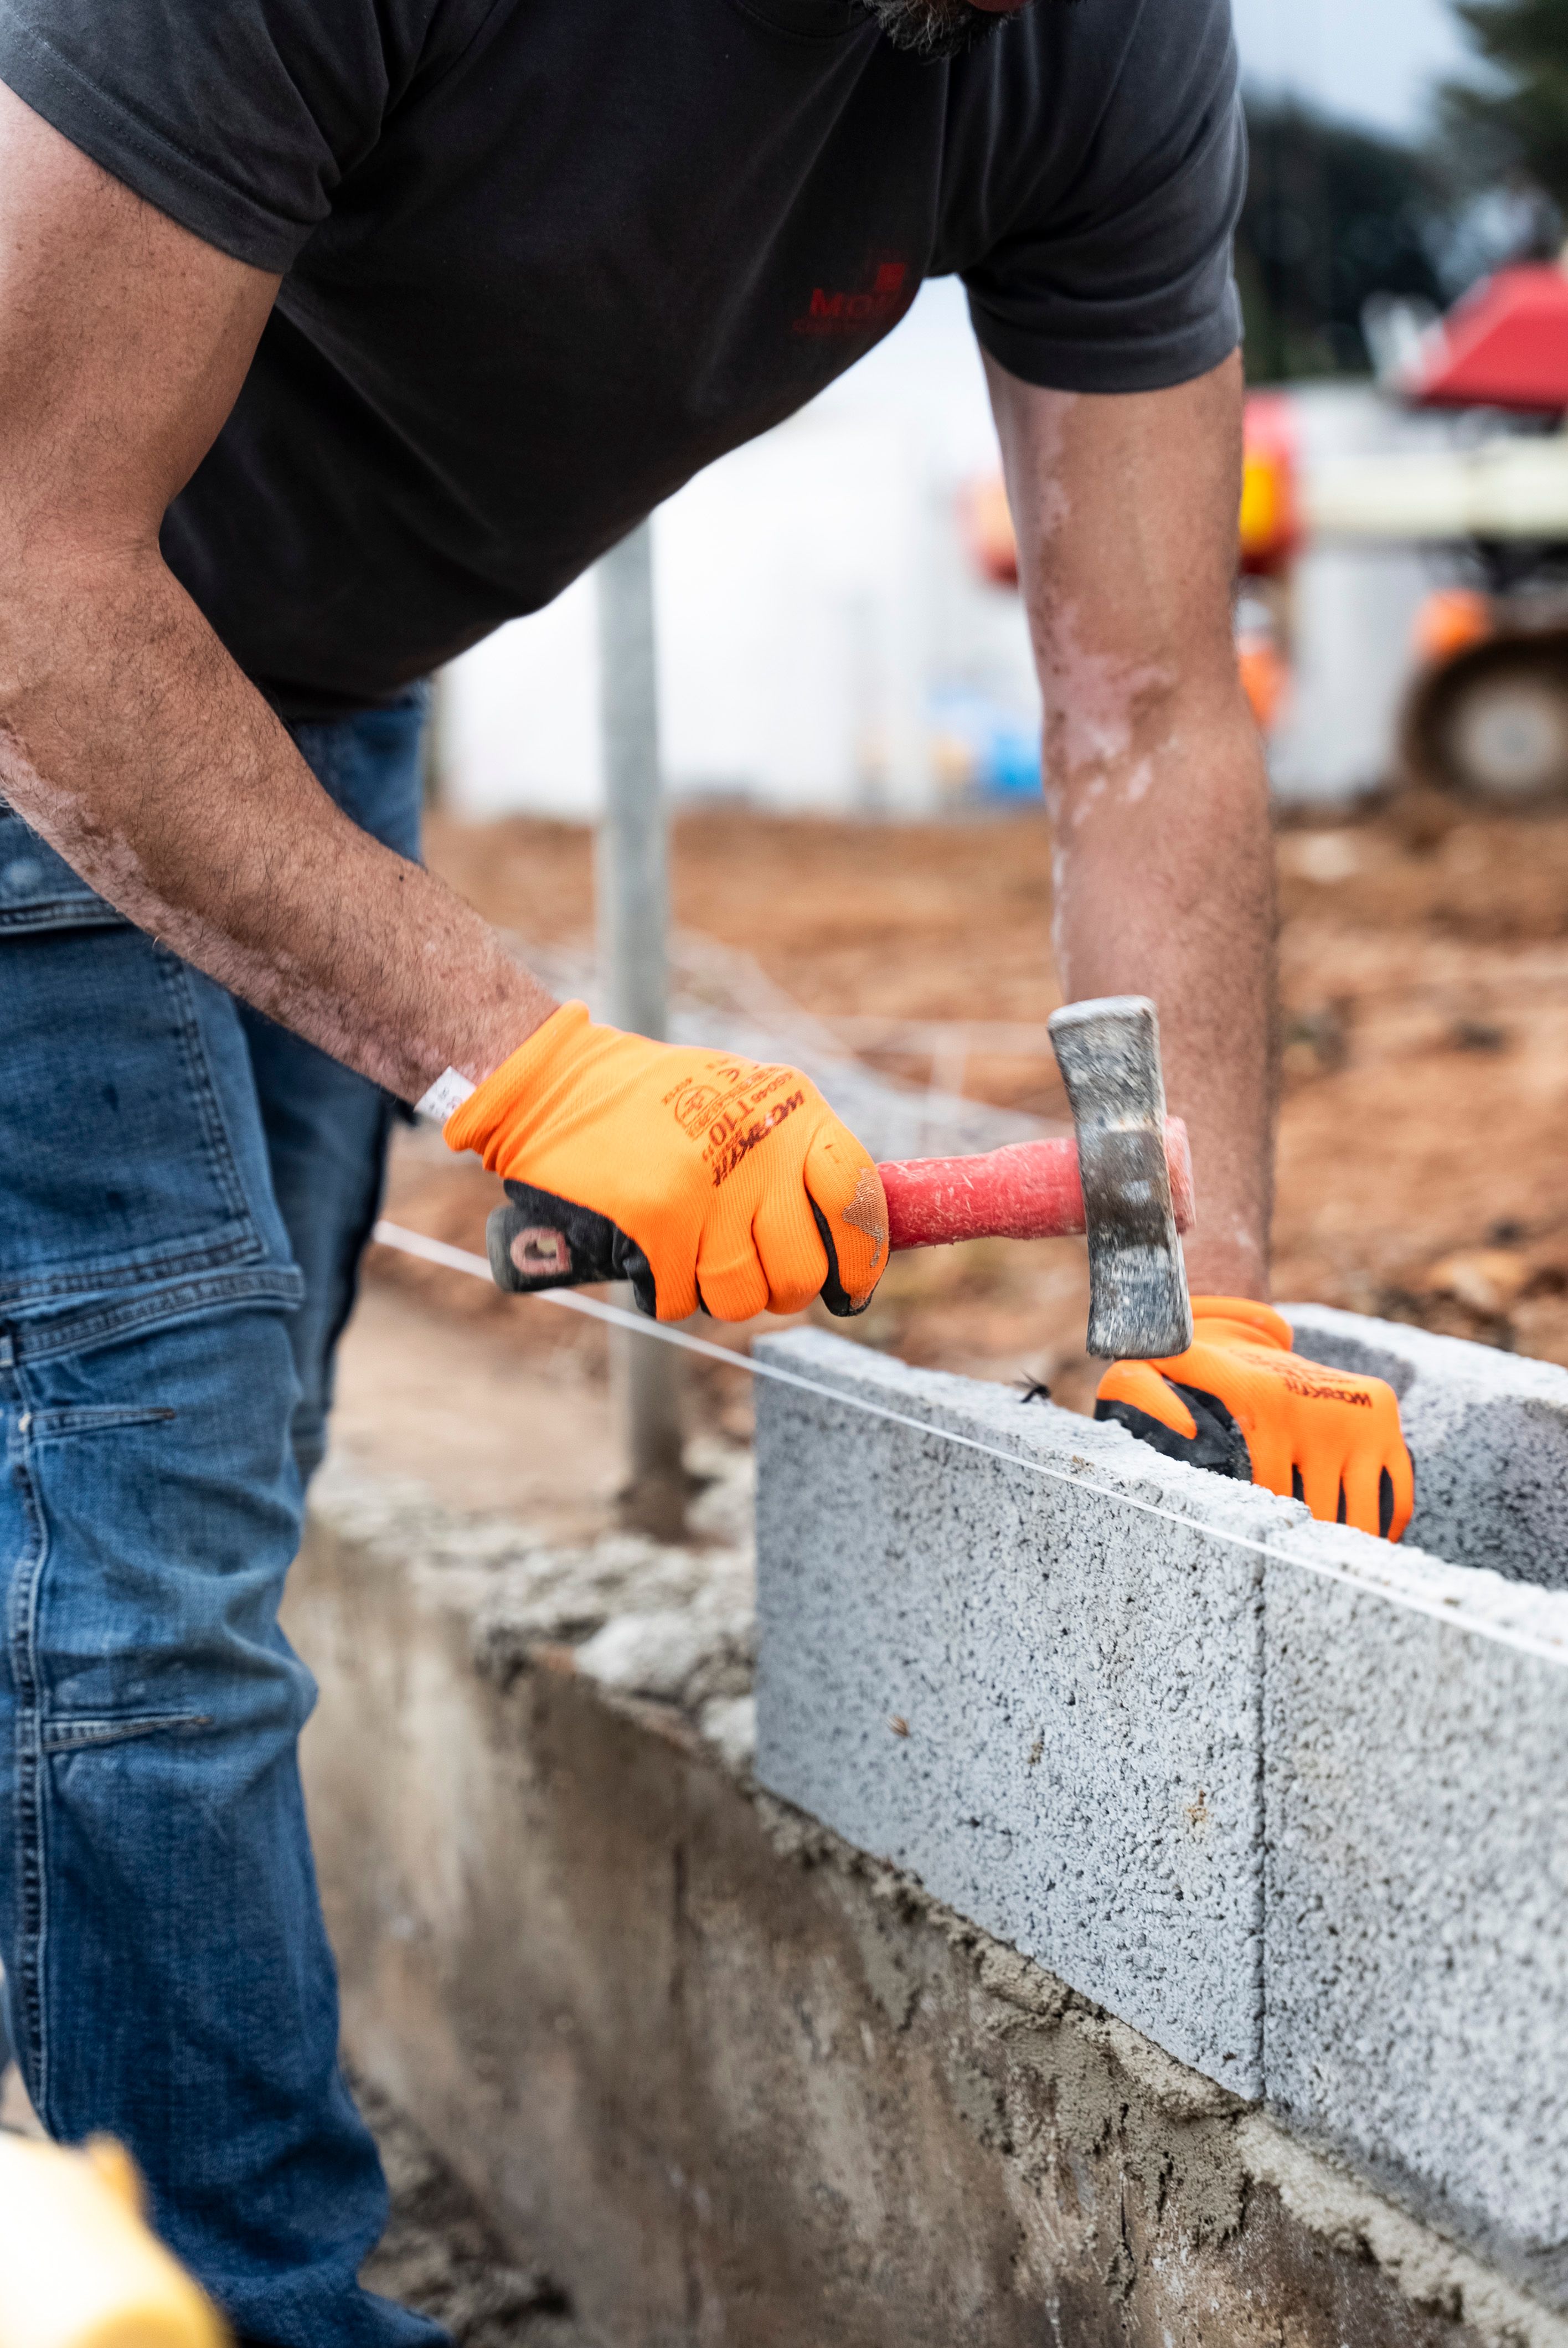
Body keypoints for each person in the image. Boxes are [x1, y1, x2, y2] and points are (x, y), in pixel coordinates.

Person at [0, 0, 1408, 2335]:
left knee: (187, 1492)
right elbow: (32, 578)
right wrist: (530, 1072)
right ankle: (247, 2305)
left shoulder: (1105, 49)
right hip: (59, 627)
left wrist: (1210, 1300)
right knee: (138, 1556)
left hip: (315, 686)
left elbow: (1146, 702)